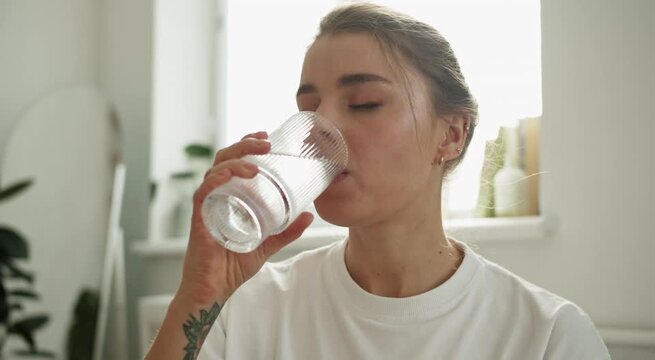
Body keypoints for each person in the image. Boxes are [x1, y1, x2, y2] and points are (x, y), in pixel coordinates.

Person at [145, 3, 610, 359]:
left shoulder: (546, 336)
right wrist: (199, 293)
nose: (321, 127)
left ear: (451, 134)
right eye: (307, 109)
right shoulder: (247, 310)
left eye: (364, 102)